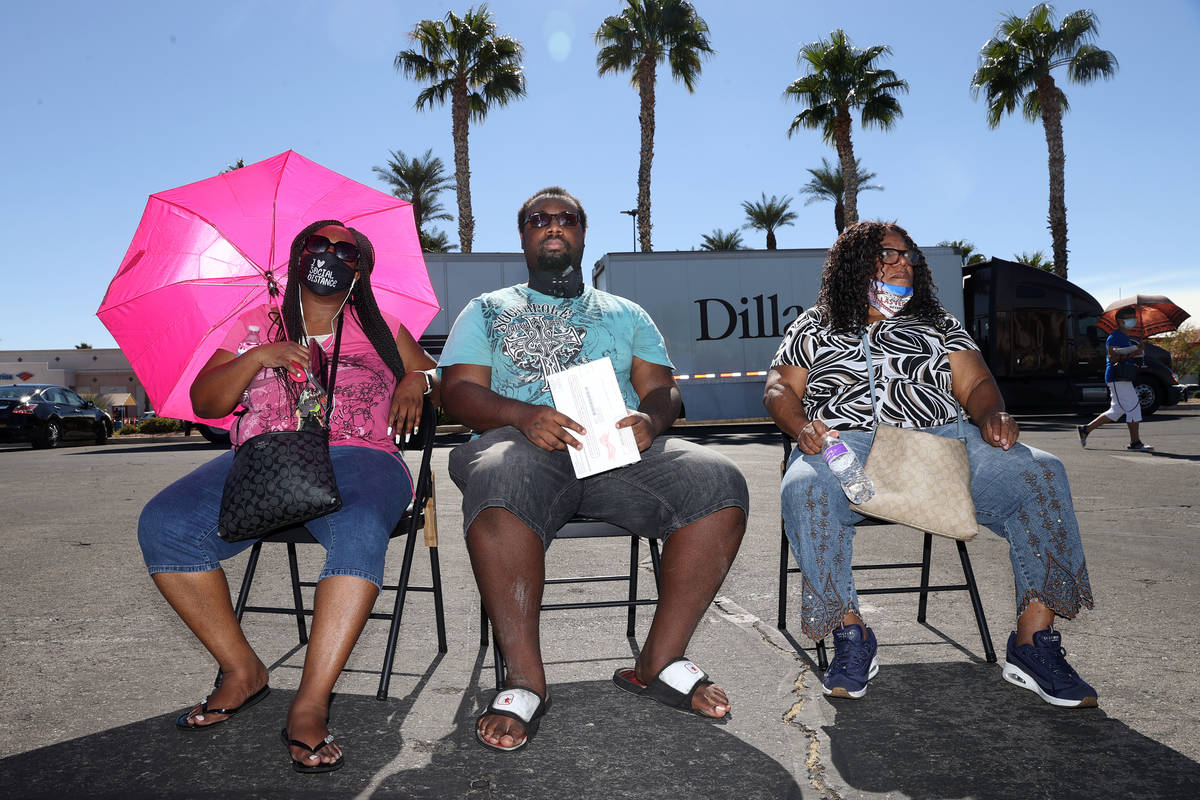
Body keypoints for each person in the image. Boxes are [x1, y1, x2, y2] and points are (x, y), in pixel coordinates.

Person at [440, 186, 749, 751]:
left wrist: (651, 422)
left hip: (614, 455)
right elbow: (455, 392)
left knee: (718, 480)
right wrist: (521, 413)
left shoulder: (626, 314)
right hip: (522, 447)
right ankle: (525, 680)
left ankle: (659, 660)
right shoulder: (487, 309)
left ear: (582, 234)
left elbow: (663, 390)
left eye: (566, 219)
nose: (552, 225)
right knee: (500, 471)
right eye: (539, 218)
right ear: (524, 235)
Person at [138, 221, 438, 773]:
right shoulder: (254, 323)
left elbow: (429, 372)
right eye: (318, 245)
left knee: (357, 528)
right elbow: (208, 402)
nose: (330, 255)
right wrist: (257, 356)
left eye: (345, 250)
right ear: (298, 256)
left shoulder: (380, 325)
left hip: (364, 457)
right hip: (267, 457)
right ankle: (241, 670)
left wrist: (416, 380)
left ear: (360, 266)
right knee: (166, 523)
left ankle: (310, 703)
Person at [763, 221, 1098, 707]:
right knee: (803, 489)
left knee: (1040, 471)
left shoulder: (937, 323)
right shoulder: (813, 324)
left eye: (910, 257)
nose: (905, 264)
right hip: (846, 444)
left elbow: (977, 385)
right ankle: (851, 635)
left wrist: (992, 414)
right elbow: (778, 389)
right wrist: (802, 427)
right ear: (856, 264)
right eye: (890, 255)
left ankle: (1032, 644)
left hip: (939, 443)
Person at [1078, 305, 1153, 451]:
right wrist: (1134, 352)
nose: (1133, 321)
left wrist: (1138, 352)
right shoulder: (1115, 336)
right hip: (1117, 377)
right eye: (1129, 318)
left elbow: (1123, 356)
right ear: (1119, 321)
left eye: (1134, 318)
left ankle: (1085, 429)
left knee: (1116, 411)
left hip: (1122, 377)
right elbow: (1113, 358)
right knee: (1133, 407)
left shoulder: (1125, 337)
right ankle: (1135, 442)